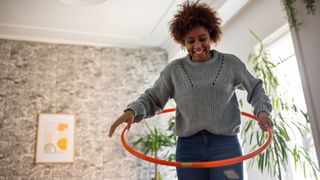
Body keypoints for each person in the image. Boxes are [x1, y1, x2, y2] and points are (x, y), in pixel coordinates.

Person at [108, 1, 273, 179]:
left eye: (202, 38)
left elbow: (255, 87)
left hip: (225, 146)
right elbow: (153, 98)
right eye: (190, 41)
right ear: (182, 42)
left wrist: (262, 111)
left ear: (211, 35)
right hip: (188, 148)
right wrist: (132, 110)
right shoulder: (174, 70)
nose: (198, 46)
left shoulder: (230, 64)